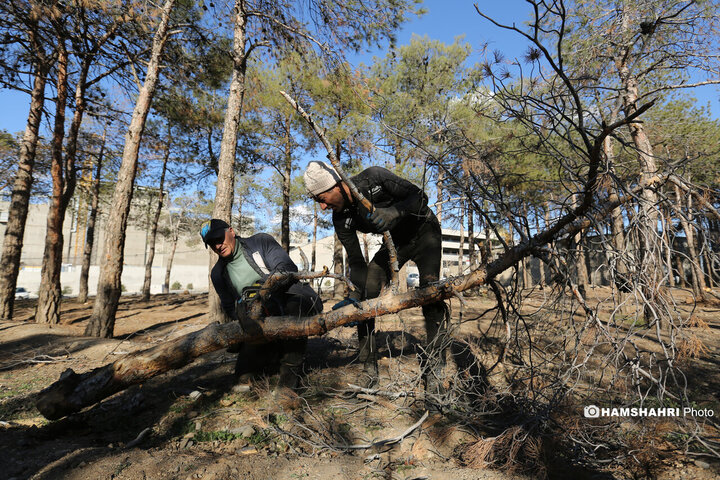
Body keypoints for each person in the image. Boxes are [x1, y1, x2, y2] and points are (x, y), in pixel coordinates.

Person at [303, 162, 448, 401]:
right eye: (316, 201)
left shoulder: (374, 179)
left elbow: (421, 197)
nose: (322, 206)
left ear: (337, 185)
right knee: (366, 297)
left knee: (431, 295)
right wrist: (354, 297)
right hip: (396, 244)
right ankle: (369, 371)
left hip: (426, 233)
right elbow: (357, 262)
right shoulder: (341, 219)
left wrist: (394, 212)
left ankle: (435, 372)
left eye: (323, 197)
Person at [200, 219, 323, 395]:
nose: (218, 245)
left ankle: (289, 381)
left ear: (232, 231)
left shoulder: (260, 241)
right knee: (243, 377)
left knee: (295, 309)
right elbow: (229, 306)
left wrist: (262, 291)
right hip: (258, 316)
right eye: (212, 243)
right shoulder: (218, 274)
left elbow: (286, 268)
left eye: (219, 238)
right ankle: (273, 350)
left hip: (294, 298)